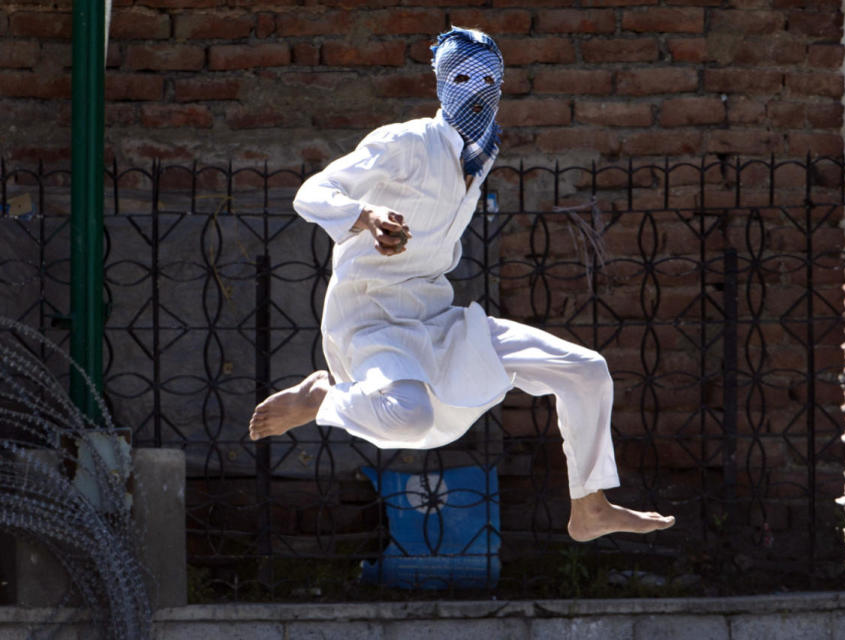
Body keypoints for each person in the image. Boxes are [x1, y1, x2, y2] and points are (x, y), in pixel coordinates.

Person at [248, 27, 675, 542]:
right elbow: (312, 192)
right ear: (441, 83)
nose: (478, 91)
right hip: (371, 320)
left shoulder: (480, 154)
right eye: (464, 78)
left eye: (491, 80)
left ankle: (590, 507)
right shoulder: (408, 141)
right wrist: (365, 214)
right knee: (410, 415)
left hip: (434, 314)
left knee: (586, 371)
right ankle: (321, 397)